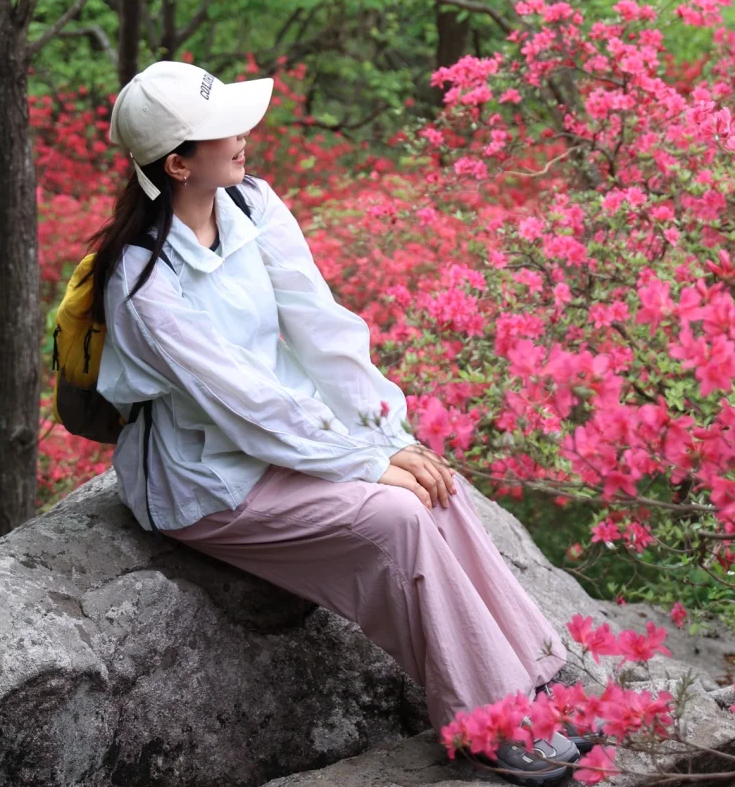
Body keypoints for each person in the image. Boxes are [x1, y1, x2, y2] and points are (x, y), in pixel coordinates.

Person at [90, 60, 583, 784]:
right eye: (226, 128)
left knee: (433, 482)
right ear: (177, 161)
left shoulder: (251, 204)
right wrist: (361, 461)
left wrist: (389, 429)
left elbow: (322, 329)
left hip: (281, 437)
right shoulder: (143, 283)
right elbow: (242, 402)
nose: (246, 135)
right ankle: (487, 719)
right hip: (209, 478)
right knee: (397, 518)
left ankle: (536, 680)